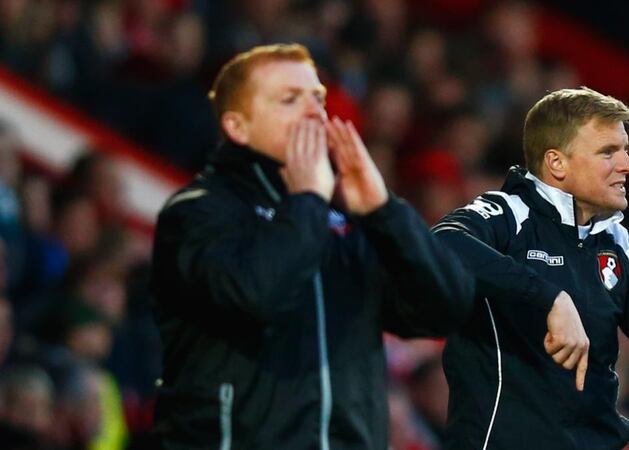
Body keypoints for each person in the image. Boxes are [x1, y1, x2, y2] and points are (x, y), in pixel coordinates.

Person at [149, 44, 474, 449]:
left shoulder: (347, 223)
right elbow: (256, 295)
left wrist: (384, 211)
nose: (313, 113)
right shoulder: (197, 213)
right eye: (289, 99)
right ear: (238, 126)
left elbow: (445, 309)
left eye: (317, 99)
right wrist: (306, 202)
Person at [433, 87, 629, 449]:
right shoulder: (510, 214)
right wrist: (549, 298)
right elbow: (443, 242)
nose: (628, 165)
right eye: (608, 152)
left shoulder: (617, 243)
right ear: (557, 163)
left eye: (625, 150)